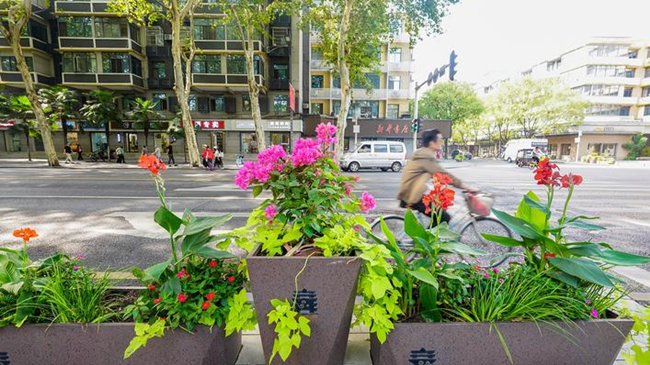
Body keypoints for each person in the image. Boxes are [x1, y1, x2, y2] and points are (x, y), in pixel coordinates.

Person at [397, 129, 476, 227]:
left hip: (411, 193)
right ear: (432, 143)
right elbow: (443, 174)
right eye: (440, 140)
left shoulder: (423, 154)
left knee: (439, 212)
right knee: (444, 218)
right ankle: (427, 241)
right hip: (413, 196)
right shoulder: (426, 157)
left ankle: (428, 237)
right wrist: (466, 187)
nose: (441, 143)